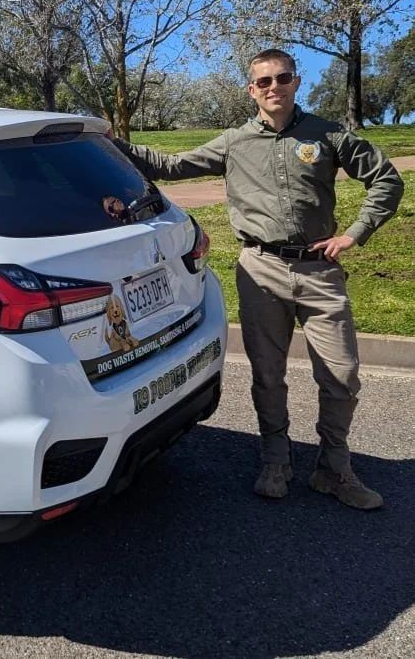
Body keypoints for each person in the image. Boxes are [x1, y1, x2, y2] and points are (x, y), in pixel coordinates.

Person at [114, 49, 404, 509]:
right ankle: (275, 459)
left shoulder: (326, 134)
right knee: (267, 374)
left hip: (320, 269)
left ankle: (334, 469)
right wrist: (108, 142)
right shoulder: (234, 142)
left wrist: (354, 234)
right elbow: (168, 167)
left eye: (282, 78)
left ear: (295, 82)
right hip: (261, 269)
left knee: (343, 375)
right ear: (251, 89)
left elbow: (386, 180)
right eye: (264, 81)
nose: (274, 87)